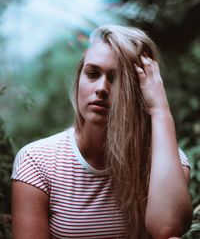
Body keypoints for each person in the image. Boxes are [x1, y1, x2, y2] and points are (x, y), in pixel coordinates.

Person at [11, 25, 192, 239]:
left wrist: (160, 110)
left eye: (116, 78)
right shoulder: (37, 162)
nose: (101, 88)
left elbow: (167, 230)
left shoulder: (166, 162)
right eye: (92, 74)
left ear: (140, 90)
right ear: (79, 80)